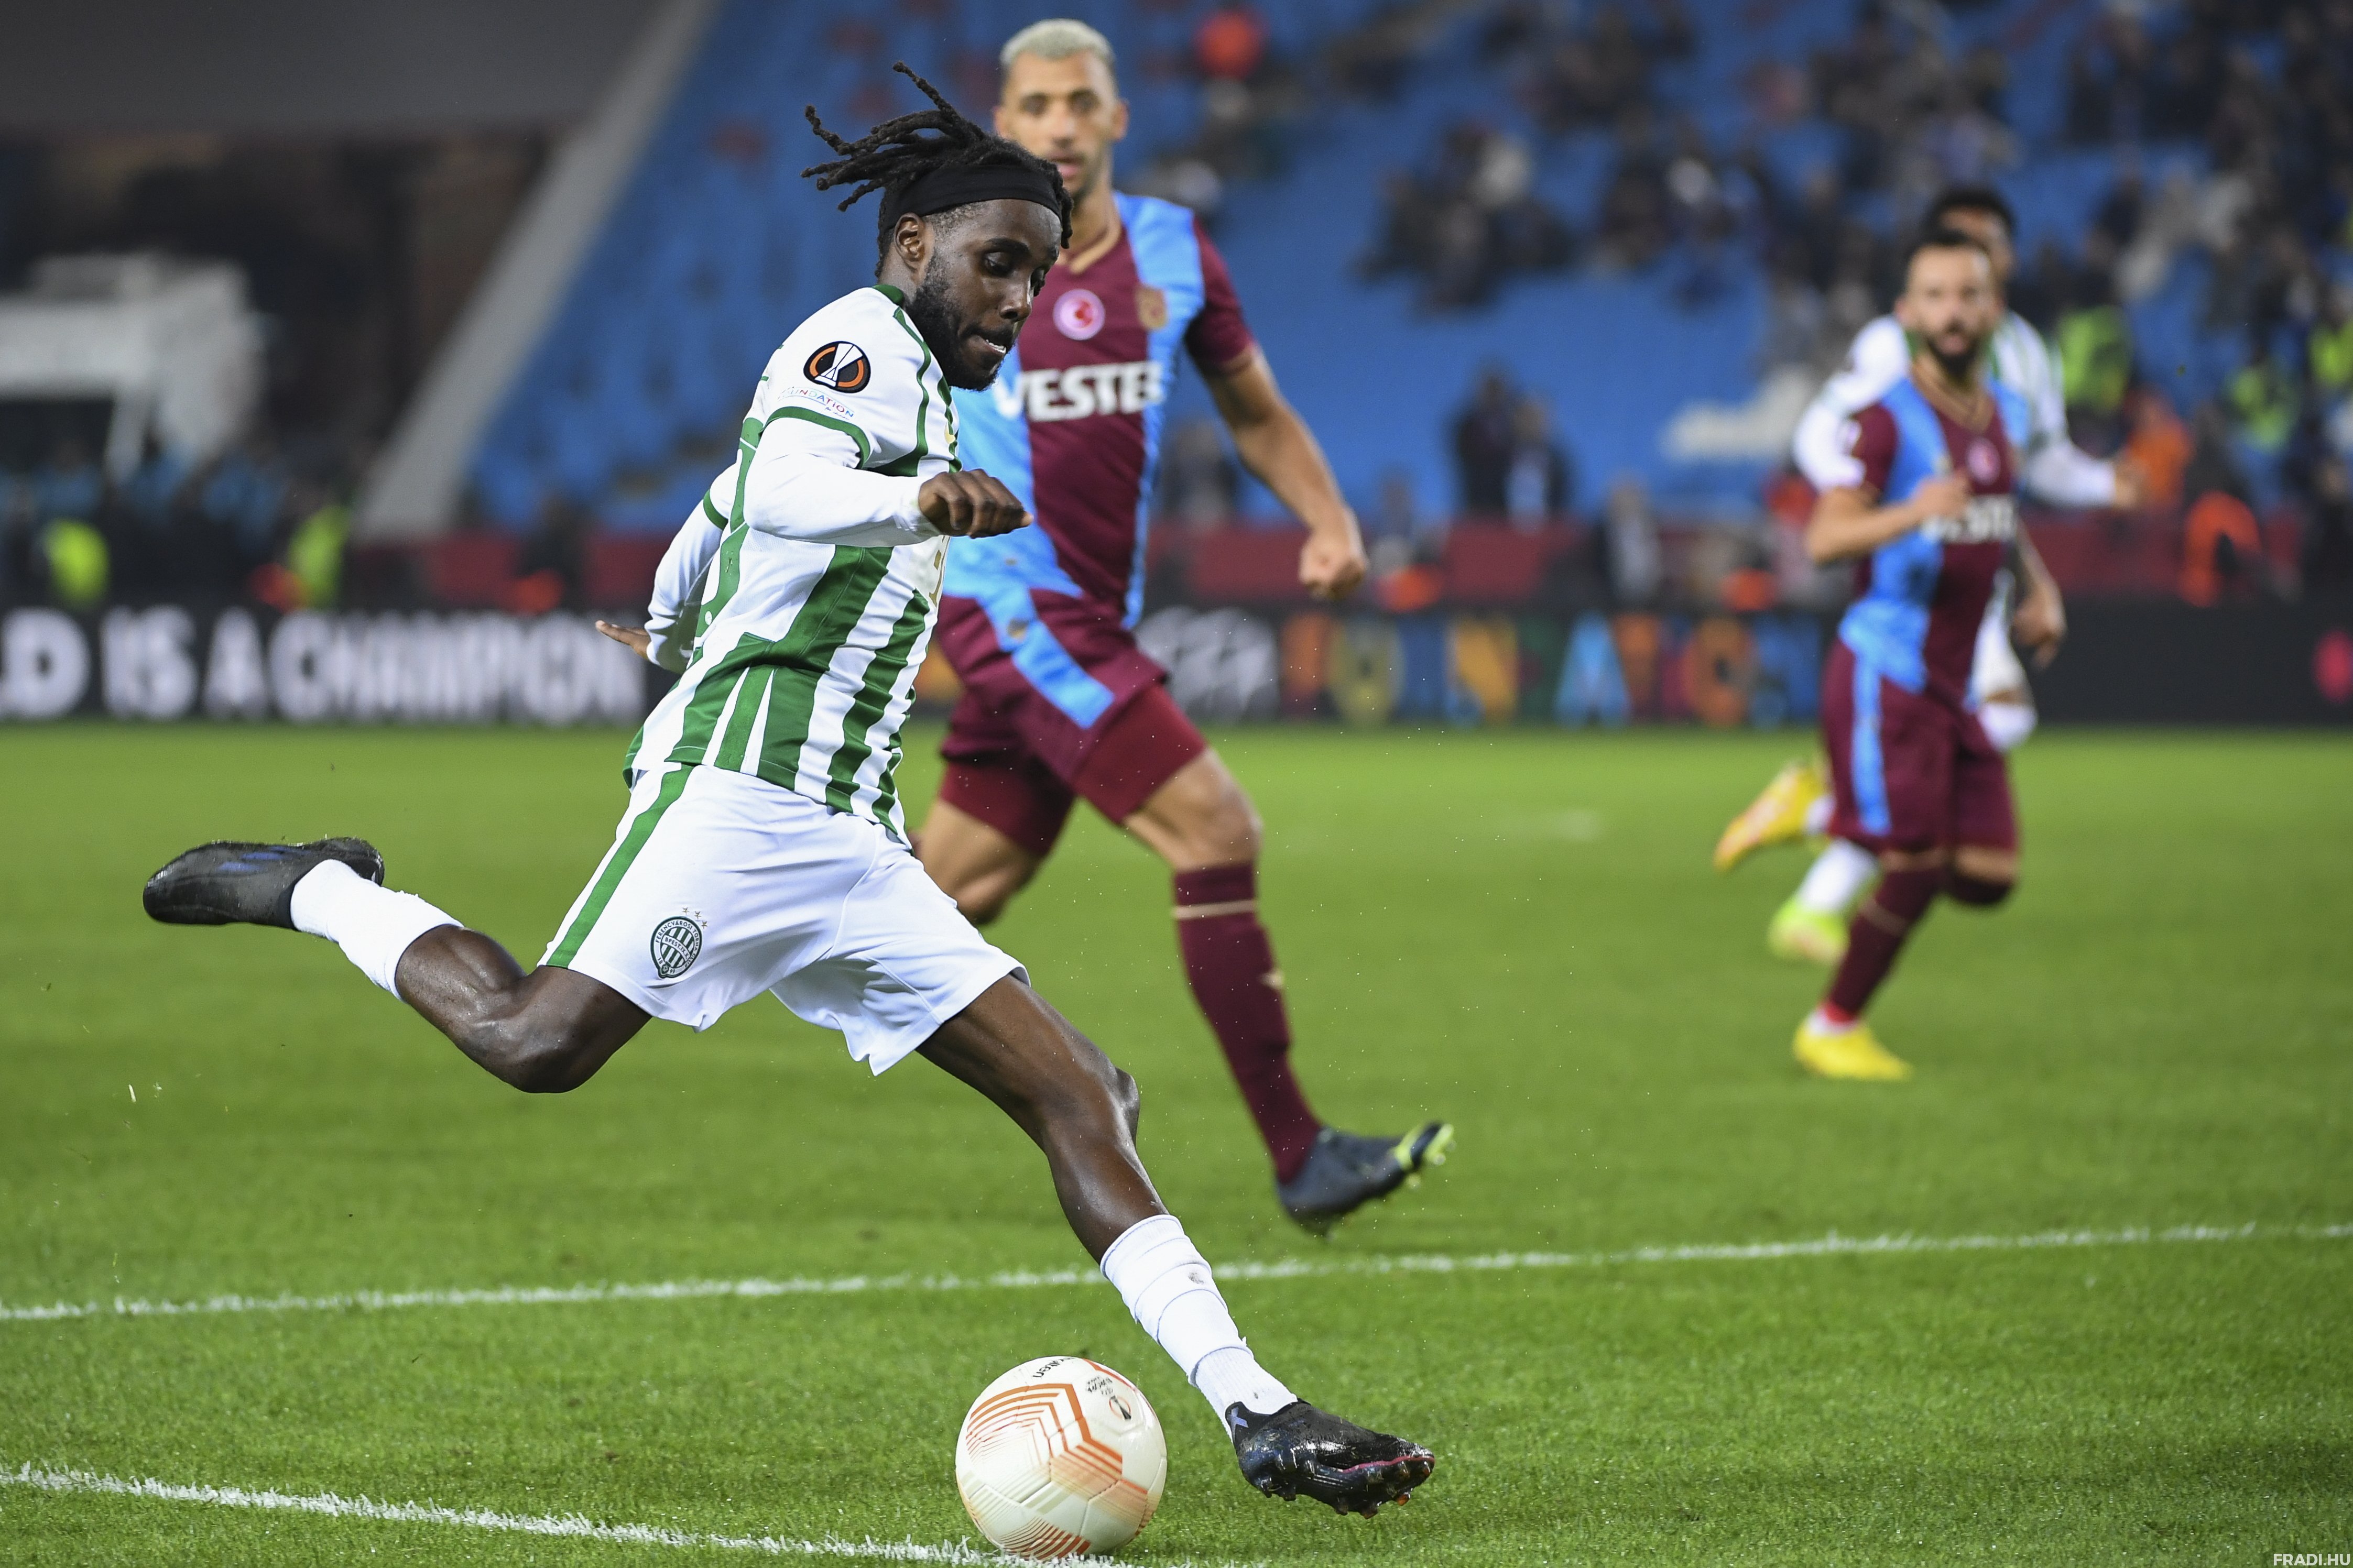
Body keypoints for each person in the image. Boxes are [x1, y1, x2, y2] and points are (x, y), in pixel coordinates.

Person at [139, 67, 1433, 1518]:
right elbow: (796, 485)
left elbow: (723, 506)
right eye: (997, 262)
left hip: (855, 836)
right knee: (536, 1042)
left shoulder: (923, 388)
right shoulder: (860, 341)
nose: (1019, 296)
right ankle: (320, 888)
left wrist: (674, 615)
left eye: (1037, 270)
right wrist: (906, 503)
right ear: (912, 245)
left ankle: (1261, 1414)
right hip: (744, 801)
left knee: (1086, 1092)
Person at [913, 20, 1451, 1232]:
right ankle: (1301, 1155)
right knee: (1216, 828)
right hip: (1016, 608)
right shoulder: (965, 261)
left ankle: (688, 944)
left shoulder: (1172, 249)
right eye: (1036, 105)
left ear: (1116, 119)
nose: (1059, 124)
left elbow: (1254, 412)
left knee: (941, 897)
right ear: (1005, 122)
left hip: (1086, 618)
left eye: (1079, 102)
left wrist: (1327, 517)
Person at [1717, 185, 2108, 962]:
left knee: (1970, 811)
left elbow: (2006, 485)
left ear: (2002, 269)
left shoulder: (2017, 366)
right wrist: (1884, 502)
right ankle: (1825, 869)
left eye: (1983, 251)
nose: (1964, 277)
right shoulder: (1892, 354)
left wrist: (2044, 569)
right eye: (1949, 260)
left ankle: (1824, 831)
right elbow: (1824, 441)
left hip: (1974, 588)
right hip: (1916, 594)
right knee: (1977, 745)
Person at [1786, 228, 2054, 1079]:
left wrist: (2039, 586)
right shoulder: (1883, 423)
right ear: (1906, 313)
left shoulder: (2004, 413)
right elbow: (1824, 538)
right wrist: (1912, 511)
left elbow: (1999, 514)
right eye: (1933, 297)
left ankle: (1824, 810)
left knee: (1989, 872)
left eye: (1966, 296)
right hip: (1888, 673)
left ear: (1993, 309)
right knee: (1915, 860)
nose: (1951, 313)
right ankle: (1831, 1026)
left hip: (1953, 682)